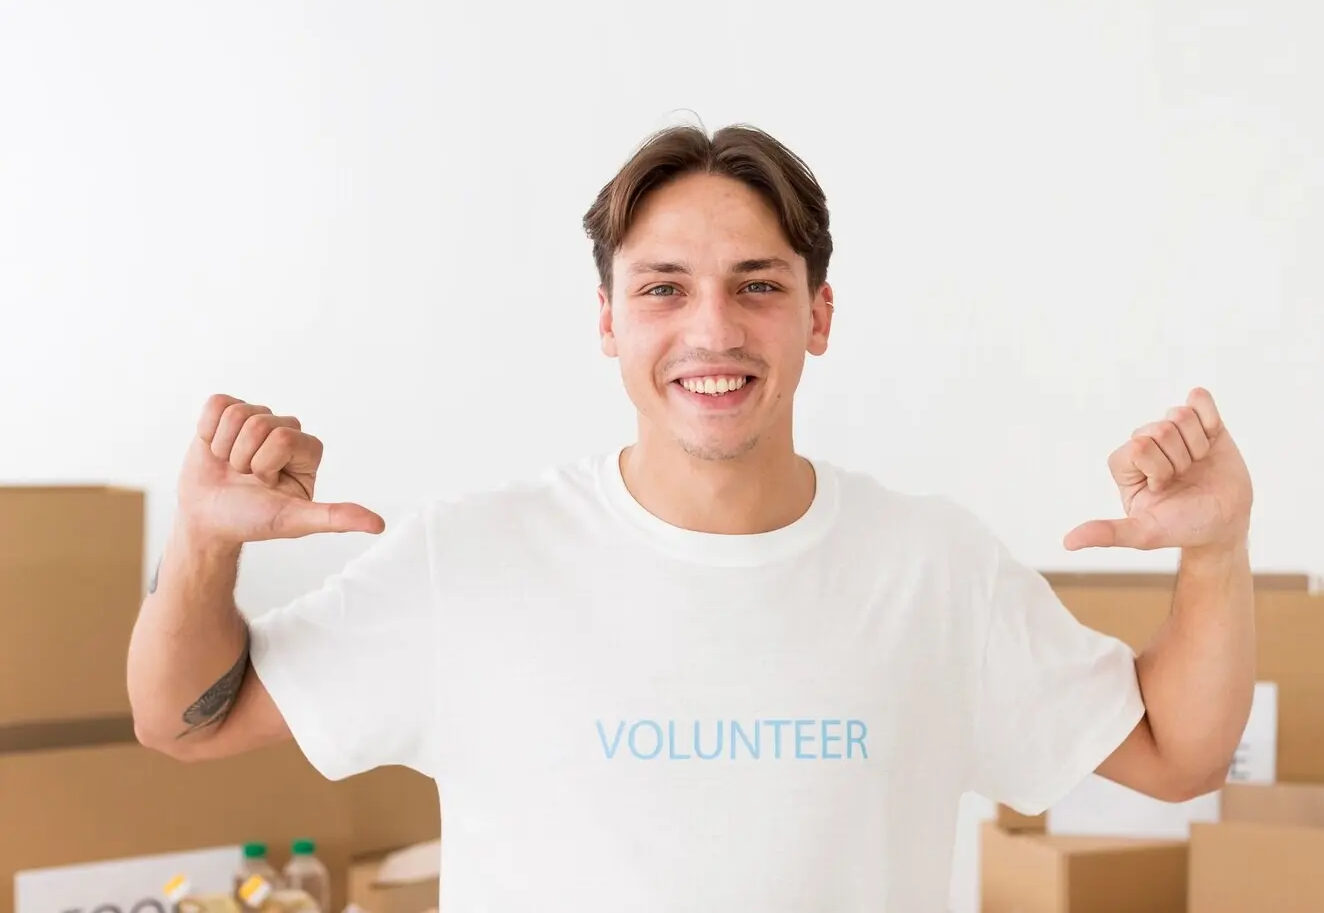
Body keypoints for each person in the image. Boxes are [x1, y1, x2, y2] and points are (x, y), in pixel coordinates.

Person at [127, 123, 1257, 911]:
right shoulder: (467, 559)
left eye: (757, 284)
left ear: (818, 315)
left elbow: (1178, 751)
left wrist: (1213, 551)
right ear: (610, 322)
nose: (712, 330)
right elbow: (182, 721)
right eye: (663, 287)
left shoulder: (933, 564)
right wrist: (204, 546)